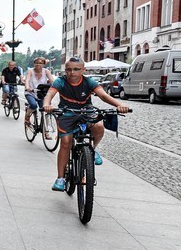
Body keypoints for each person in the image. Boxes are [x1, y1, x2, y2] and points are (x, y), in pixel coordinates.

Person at [43, 57, 129, 191]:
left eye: (76, 69)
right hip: (67, 113)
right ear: (65, 70)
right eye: (69, 69)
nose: (72, 73)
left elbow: (103, 95)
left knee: (99, 126)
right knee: (66, 142)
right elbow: (49, 95)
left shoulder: (89, 82)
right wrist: (47, 105)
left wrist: (120, 105)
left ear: (83, 70)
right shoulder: (61, 81)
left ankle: (92, 150)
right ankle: (60, 178)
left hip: (86, 111)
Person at [23, 57, 55, 125]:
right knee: (33, 105)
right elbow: (27, 80)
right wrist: (27, 87)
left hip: (41, 93)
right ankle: (27, 116)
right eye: (36, 63)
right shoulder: (30, 71)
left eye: (40, 63)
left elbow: (52, 80)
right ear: (34, 64)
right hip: (31, 92)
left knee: (45, 109)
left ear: (43, 64)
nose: (38, 64)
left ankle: (46, 131)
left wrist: (51, 83)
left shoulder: (46, 71)